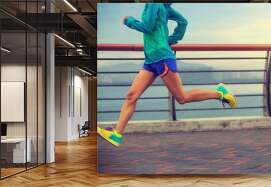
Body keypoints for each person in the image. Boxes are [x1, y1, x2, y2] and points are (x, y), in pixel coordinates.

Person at [97, 3, 237, 147]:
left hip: (162, 58)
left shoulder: (154, 4)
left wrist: (129, 21)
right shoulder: (163, 6)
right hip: (150, 60)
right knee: (131, 95)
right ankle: (116, 134)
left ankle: (220, 93)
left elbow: (147, 27)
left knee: (182, 98)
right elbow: (183, 22)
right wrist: (170, 39)